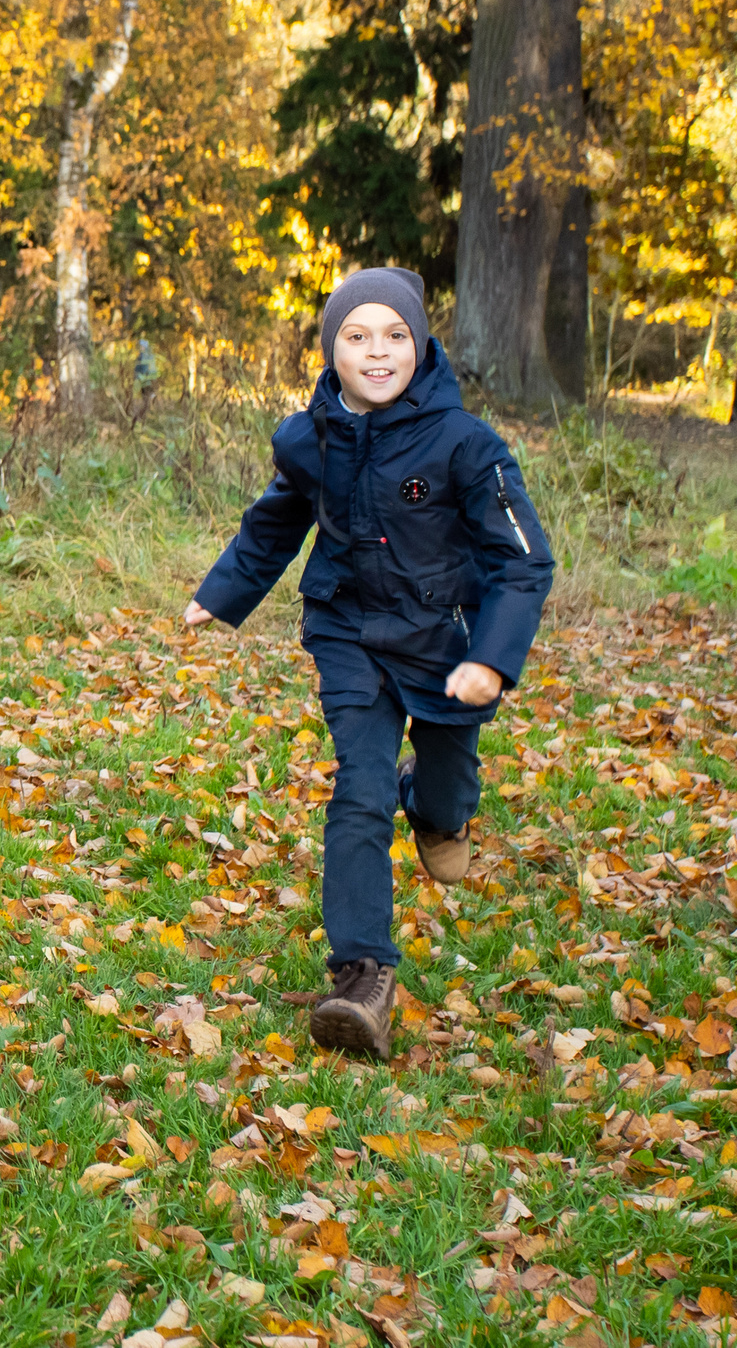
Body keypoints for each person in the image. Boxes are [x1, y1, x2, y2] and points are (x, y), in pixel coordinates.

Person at [187, 267, 552, 1062]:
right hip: (348, 631)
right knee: (358, 786)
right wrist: (222, 593)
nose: (377, 352)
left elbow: (523, 561)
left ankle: (438, 808)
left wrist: (492, 658)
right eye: (357, 336)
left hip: (448, 647)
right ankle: (362, 975)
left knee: (447, 777)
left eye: (394, 335)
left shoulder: (466, 445)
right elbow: (274, 524)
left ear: (419, 343)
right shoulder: (309, 436)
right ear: (331, 348)